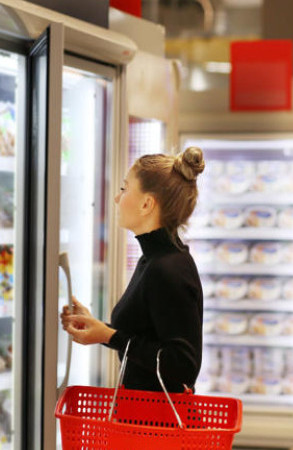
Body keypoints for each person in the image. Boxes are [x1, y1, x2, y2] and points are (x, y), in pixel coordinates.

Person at [60, 147, 206, 393]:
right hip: (146, 421)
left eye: (124, 188)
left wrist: (109, 336)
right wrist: (100, 329)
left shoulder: (167, 268)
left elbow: (183, 365)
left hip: (158, 426)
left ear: (147, 204)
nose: (117, 198)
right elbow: (149, 337)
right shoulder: (154, 259)